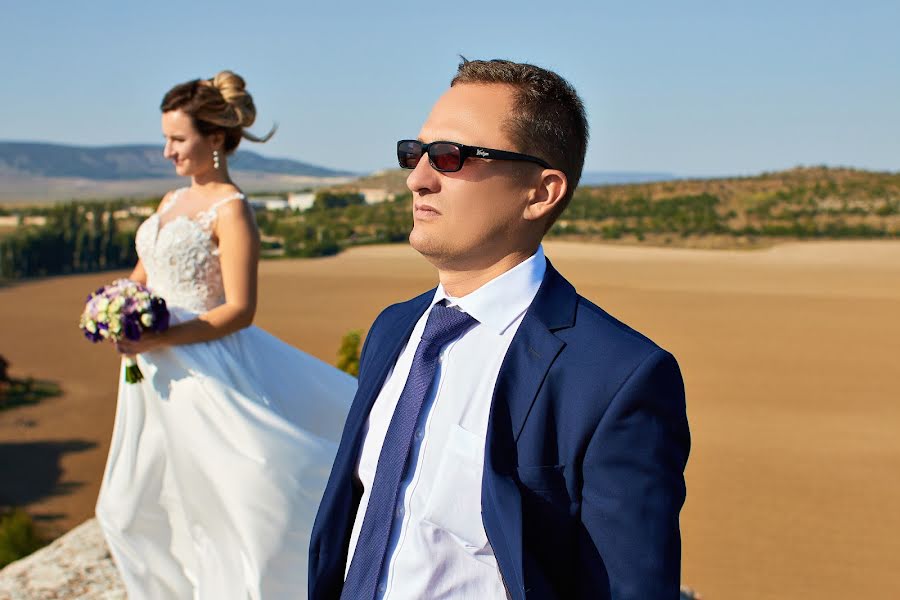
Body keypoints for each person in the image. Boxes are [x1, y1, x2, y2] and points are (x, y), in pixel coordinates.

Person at [310, 59, 690, 599]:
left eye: (451, 157)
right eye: (413, 154)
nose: (418, 178)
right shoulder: (393, 330)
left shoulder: (616, 377)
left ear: (541, 192)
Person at [95, 70, 356, 600]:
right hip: (150, 377)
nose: (167, 151)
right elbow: (141, 279)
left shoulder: (231, 210)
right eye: (165, 138)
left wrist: (163, 337)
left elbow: (239, 309)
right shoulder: (170, 202)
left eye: (178, 139)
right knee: (126, 507)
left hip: (205, 370)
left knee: (241, 501)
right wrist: (113, 309)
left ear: (214, 139)